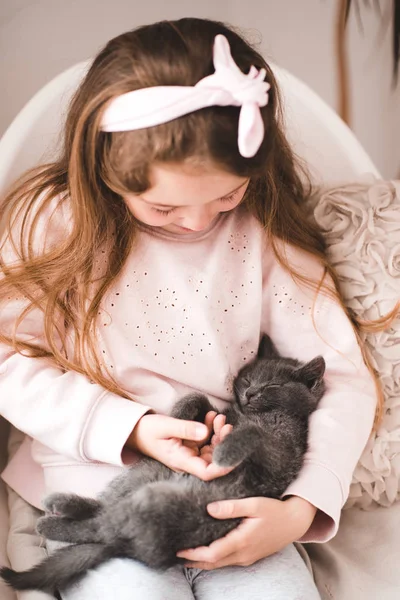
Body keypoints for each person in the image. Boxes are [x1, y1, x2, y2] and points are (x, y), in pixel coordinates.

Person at [0, 17, 380, 600]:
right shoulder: (53, 225)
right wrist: (130, 429)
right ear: (106, 171)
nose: (201, 222)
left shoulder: (265, 233)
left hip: (236, 493)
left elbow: (345, 378)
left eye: (227, 194)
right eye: (162, 207)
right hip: (105, 489)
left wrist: (300, 511)